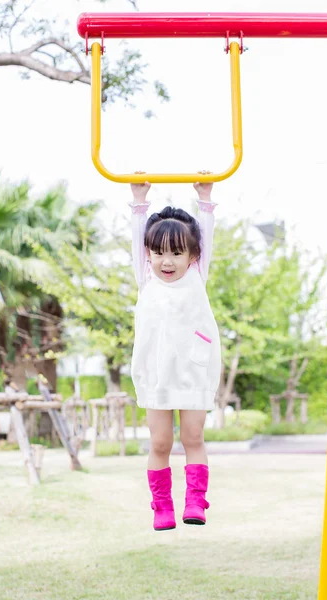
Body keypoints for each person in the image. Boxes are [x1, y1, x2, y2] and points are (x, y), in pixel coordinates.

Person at [129, 176, 221, 531]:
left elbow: (206, 235)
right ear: (148, 254)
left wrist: (205, 200)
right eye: (159, 252)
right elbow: (138, 238)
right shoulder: (145, 279)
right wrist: (139, 203)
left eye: (177, 252)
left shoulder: (197, 275)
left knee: (193, 438)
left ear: (193, 255)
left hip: (194, 370)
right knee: (160, 441)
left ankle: (196, 501)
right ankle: (161, 507)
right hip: (156, 373)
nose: (167, 261)